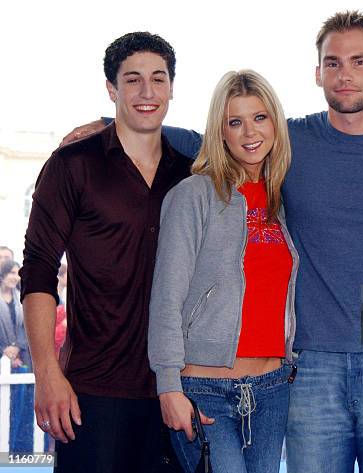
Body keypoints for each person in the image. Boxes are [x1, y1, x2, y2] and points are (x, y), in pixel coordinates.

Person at [63, 11, 363, 472]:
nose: (345, 74)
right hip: (308, 365)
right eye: (333, 62)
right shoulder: (291, 140)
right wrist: (110, 123)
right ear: (317, 71)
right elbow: (215, 135)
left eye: (359, 62)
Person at [19, 32, 192, 473]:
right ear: (112, 89)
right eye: (132, 80)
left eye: (158, 79)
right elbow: (38, 270)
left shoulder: (190, 174)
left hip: (176, 389)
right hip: (92, 392)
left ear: (172, 87)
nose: (147, 92)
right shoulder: (72, 165)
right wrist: (46, 373)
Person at [148, 69, 298, 473]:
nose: (250, 132)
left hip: (271, 390)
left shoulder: (279, 202)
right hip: (204, 390)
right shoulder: (193, 195)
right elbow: (166, 297)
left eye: (260, 118)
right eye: (235, 121)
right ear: (221, 132)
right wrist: (168, 387)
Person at [0, 260, 34, 453]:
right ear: (3, 275)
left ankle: (15, 451)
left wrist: (16, 348)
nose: (15, 276)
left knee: (19, 407)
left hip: (20, 359)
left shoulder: (21, 298)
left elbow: (26, 327)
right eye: (11, 273)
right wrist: (4, 350)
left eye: (17, 273)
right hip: (2, 358)